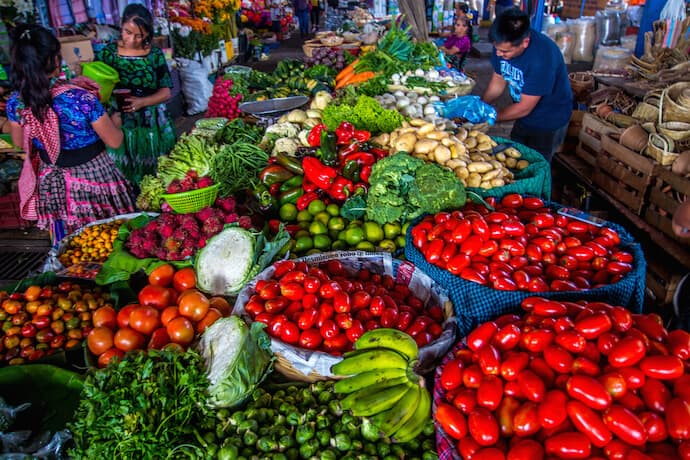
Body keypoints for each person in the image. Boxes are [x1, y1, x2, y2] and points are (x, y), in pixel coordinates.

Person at [8, 24, 135, 244]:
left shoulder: (16, 103)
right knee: (107, 237)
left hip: (53, 180)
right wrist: (116, 120)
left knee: (72, 245)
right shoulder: (80, 97)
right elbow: (115, 141)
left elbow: (20, 142)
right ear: (55, 60)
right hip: (94, 177)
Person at [96, 3, 176, 185]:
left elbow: (165, 92)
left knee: (158, 172)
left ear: (148, 33)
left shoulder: (154, 55)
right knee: (124, 170)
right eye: (127, 32)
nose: (132, 39)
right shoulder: (107, 54)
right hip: (119, 121)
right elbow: (95, 87)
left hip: (152, 122)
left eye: (139, 35)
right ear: (121, 26)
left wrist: (142, 102)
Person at [481, 7, 572, 163]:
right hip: (523, 115)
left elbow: (525, 107)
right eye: (497, 49)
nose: (498, 54)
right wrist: (480, 106)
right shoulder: (502, 46)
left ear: (525, 42)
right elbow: (497, 83)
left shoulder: (542, 58)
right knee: (515, 156)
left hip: (549, 119)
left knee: (537, 164)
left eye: (504, 51)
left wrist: (489, 117)